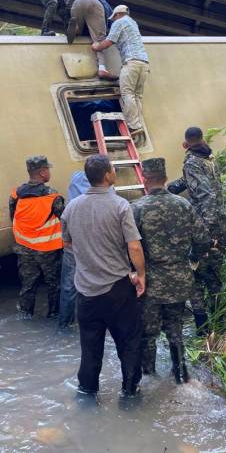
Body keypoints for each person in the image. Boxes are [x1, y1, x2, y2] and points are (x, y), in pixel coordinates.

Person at [61, 155, 145, 396]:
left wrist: (89, 255)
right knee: (129, 342)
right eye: (113, 169)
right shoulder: (120, 205)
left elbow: (66, 243)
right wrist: (140, 275)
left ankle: (87, 391)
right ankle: (130, 390)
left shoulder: (72, 207)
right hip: (118, 288)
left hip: (86, 291)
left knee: (89, 347)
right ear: (108, 175)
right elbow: (134, 246)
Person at [131, 158, 210, 381]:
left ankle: (149, 378)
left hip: (150, 284)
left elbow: (128, 247)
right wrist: (189, 257)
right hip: (180, 280)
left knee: (148, 334)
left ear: (145, 179)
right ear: (165, 179)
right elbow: (203, 240)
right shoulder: (184, 205)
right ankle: (181, 376)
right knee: (175, 330)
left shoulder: (136, 208)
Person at [168, 127, 226, 329]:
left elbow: (206, 196)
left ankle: (204, 328)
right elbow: (196, 183)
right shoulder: (208, 158)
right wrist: (171, 188)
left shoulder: (192, 162)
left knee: (195, 277)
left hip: (207, 229)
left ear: (185, 144)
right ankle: (221, 324)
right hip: (222, 224)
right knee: (215, 275)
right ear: (201, 139)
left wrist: (205, 232)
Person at [9, 156, 64, 319]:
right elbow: (65, 219)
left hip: (24, 247)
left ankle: (25, 314)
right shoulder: (52, 196)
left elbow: (14, 217)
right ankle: (54, 315)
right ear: (42, 172)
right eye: (48, 169)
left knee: (28, 285)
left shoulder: (16, 194)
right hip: (48, 249)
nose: (49, 172)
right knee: (54, 285)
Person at [91, 5, 149, 137]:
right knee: (137, 95)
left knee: (127, 93)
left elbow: (109, 41)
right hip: (144, 63)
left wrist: (97, 46)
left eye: (113, 18)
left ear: (117, 14)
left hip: (131, 61)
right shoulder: (133, 23)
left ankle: (133, 126)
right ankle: (138, 124)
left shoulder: (119, 22)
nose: (113, 21)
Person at [58, 171, 90, 331]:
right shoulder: (111, 201)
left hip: (74, 246)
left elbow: (65, 238)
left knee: (69, 286)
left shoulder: (70, 207)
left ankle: (64, 325)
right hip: (98, 248)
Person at [66, 0, 116, 82]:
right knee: (100, 39)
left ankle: (75, 29)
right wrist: (112, 26)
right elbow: (110, 13)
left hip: (77, 4)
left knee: (79, 31)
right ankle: (102, 69)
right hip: (93, 4)